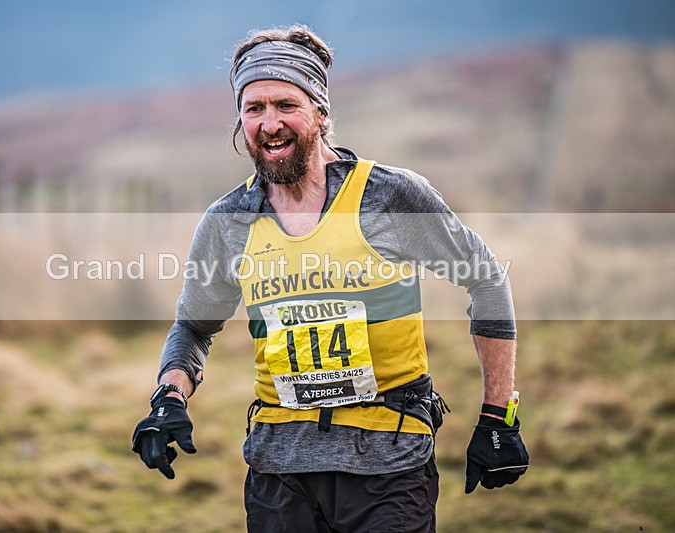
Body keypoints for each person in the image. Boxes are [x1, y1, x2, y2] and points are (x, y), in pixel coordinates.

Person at [132, 25, 529, 532]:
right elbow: (193, 327)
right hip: (279, 472)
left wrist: (498, 416)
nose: (269, 123)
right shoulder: (229, 220)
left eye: (285, 105)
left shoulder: (389, 196)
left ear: (320, 112)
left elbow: (486, 279)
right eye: (254, 109)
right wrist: (168, 397)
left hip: (388, 466)